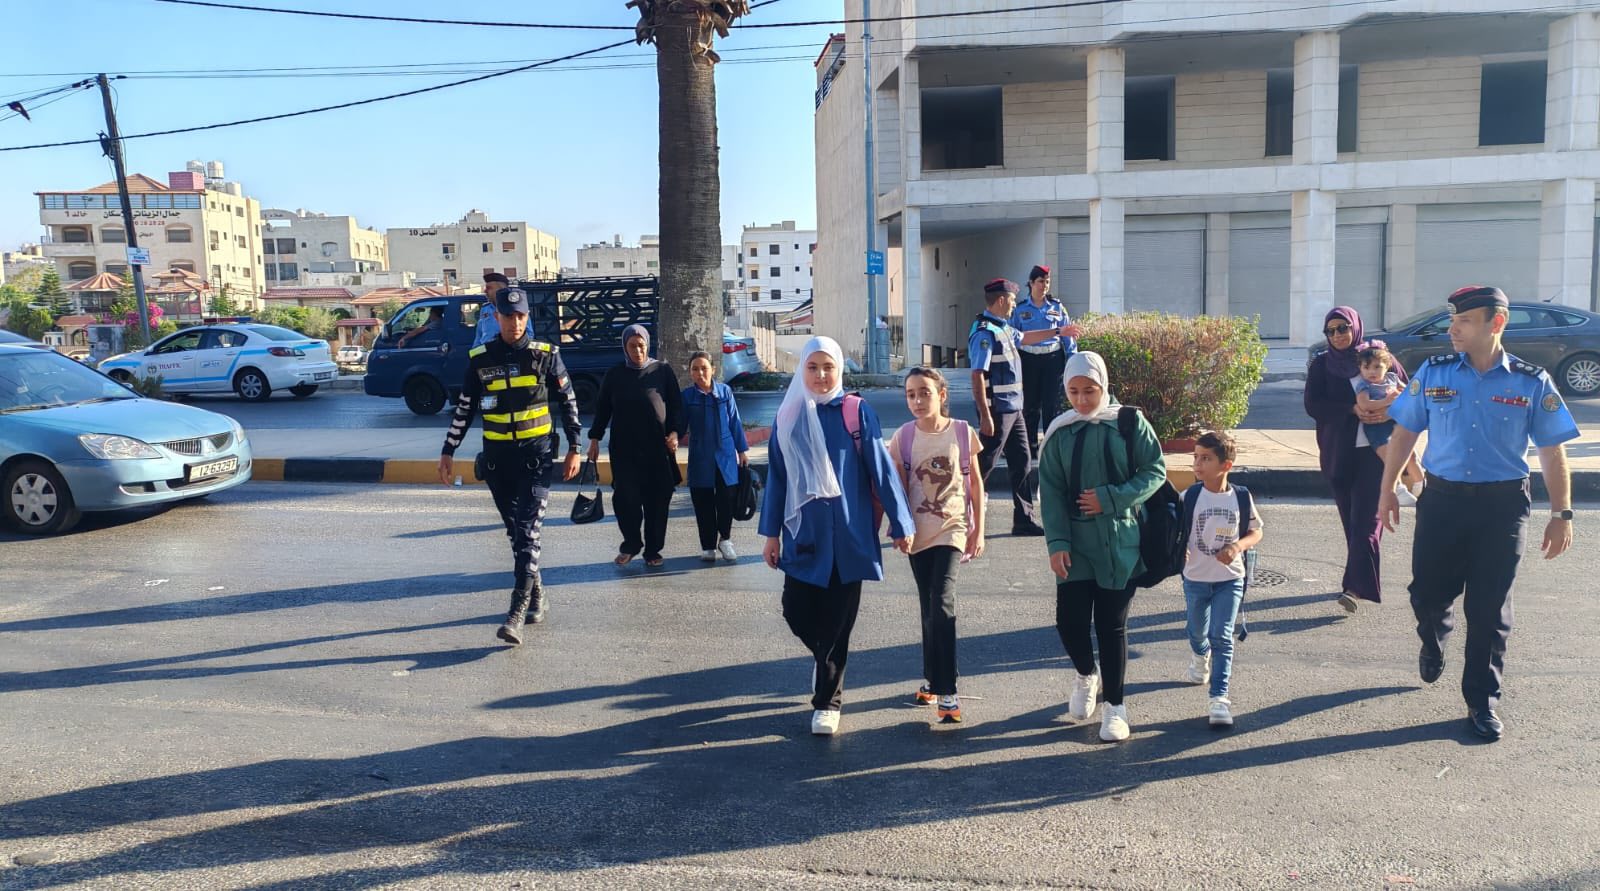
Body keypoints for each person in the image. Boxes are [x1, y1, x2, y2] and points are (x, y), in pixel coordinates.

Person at [1380, 285, 1578, 742]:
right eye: (1453, 321)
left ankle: (1482, 701)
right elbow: (1404, 432)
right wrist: (1387, 490)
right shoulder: (1434, 372)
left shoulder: (1531, 381)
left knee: (1489, 609)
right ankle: (1434, 635)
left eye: (1464, 322)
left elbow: (1552, 451)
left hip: (1502, 507)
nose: (1453, 330)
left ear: (1496, 323)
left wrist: (1561, 513)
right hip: (1442, 501)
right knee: (1427, 594)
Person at [760, 336, 913, 736]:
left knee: (836, 625)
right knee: (795, 611)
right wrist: (771, 534)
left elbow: (881, 470)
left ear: (839, 369)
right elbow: (778, 478)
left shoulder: (855, 411)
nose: (821, 375)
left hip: (848, 536)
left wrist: (902, 524)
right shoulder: (789, 415)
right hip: (804, 535)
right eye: (813, 367)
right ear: (802, 370)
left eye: (828, 367)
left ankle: (828, 702)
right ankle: (823, 662)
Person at [436, 286, 583, 646]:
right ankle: (537, 592)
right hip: (498, 462)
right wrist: (448, 449)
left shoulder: (545, 355)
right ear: (497, 317)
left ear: (527, 318)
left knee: (528, 533)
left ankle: (516, 613)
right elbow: (465, 407)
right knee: (517, 534)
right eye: (508, 316)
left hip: (537, 459)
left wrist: (575, 448)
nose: (514, 322)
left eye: (520, 316)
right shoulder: (480, 358)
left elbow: (568, 402)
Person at [1038, 351, 1166, 743]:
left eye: (1089, 390)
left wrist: (1111, 498)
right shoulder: (1061, 431)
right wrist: (1057, 542)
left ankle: (1115, 707)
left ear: (1104, 386)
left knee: (1112, 626)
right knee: (1069, 622)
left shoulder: (1128, 422)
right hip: (1075, 544)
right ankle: (1085, 674)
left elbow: (1155, 470)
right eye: (1074, 391)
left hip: (1119, 540)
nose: (1081, 400)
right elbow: (1051, 491)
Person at [888, 367, 985, 725]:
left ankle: (947, 691)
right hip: (917, 534)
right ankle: (932, 678)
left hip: (951, 530)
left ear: (942, 395)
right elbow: (897, 489)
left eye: (924, 392)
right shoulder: (903, 437)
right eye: (911, 394)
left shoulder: (961, 432)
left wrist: (979, 530)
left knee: (942, 603)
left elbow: (975, 484)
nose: (917, 400)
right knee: (928, 607)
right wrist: (899, 529)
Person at [1303, 306, 1404, 613]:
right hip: (1339, 453)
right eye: (1330, 331)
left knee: (1367, 523)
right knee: (1351, 521)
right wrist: (1352, 410)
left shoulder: (1378, 356)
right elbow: (1313, 405)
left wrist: (1388, 411)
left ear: (1356, 327)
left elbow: (1410, 395)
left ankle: (1355, 588)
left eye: (1343, 328)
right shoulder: (1322, 365)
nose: (1337, 335)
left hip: (1377, 455)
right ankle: (1358, 578)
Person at [969, 278, 1077, 536]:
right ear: (1001, 300)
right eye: (1012, 300)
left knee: (1022, 462)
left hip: (1014, 409)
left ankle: (1023, 520)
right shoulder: (985, 332)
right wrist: (985, 415)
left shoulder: (1004, 328)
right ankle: (959, 512)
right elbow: (977, 374)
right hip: (998, 411)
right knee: (984, 463)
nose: (1015, 305)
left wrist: (1058, 332)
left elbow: (1026, 337)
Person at [1179, 431, 1263, 728]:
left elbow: (1256, 531)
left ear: (1226, 465)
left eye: (1206, 458)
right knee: (1196, 631)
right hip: (1195, 578)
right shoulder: (1189, 496)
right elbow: (1175, 532)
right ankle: (1200, 656)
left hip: (1230, 579)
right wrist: (1177, 550)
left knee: (1222, 636)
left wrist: (1237, 547)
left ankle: (1219, 699)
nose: (1197, 464)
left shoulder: (1240, 497)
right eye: (1195, 457)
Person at [587, 325, 683, 568]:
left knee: (657, 501)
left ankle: (653, 550)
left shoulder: (662, 371)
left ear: (647, 345)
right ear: (625, 347)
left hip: (657, 449)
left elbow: (676, 406)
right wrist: (594, 439)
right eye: (632, 346)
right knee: (626, 499)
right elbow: (603, 409)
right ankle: (631, 544)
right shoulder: (615, 374)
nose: (638, 351)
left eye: (641, 346)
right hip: (624, 450)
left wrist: (675, 433)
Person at [681, 349, 749, 563]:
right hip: (700, 455)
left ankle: (725, 539)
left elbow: (734, 421)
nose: (700, 373)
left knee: (727, 499)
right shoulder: (687, 396)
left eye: (704, 368)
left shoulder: (725, 392)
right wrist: (673, 435)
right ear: (690, 372)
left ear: (713, 369)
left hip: (725, 454)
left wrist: (742, 450)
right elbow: (680, 424)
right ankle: (708, 545)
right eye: (695, 369)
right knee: (703, 501)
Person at [1010, 264, 1080, 452]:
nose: (1044, 286)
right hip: (1029, 360)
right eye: (1041, 281)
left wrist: (1072, 360)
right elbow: (1013, 338)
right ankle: (1030, 446)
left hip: (1052, 360)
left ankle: (1050, 447)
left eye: (1047, 282)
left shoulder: (1057, 307)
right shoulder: (1020, 309)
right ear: (1031, 283)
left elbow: (1067, 335)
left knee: (1052, 405)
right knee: (1030, 405)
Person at [1355, 345, 1425, 503]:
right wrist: (1386, 401)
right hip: (1376, 428)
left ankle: (1421, 483)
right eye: (1366, 368)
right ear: (1360, 369)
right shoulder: (1364, 385)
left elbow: (1409, 394)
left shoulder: (1392, 378)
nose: (1372, 372)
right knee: (1391, 458)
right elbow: (1364, 404)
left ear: (1387, 366)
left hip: (1396, 423)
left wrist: (1399, 397)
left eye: (1377, 367)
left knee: (1411, 456)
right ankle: (1398, 490)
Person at [474, 272, 510, 347]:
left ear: (501, 290)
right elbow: (479, 335)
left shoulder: (514, 308)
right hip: (486, 351)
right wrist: (474, 350)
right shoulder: (485, 309)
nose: (485, 291)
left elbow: (528, 334)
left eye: (489, 288)